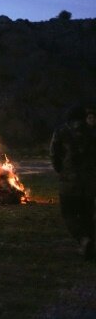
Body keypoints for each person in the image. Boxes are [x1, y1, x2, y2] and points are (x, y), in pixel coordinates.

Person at [50, 105, 96, 261]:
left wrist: (61, 170)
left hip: (69, 182)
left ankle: (83, 240)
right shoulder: (92, 132)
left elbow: (54, 154)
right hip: (90, 182)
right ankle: (89, 242)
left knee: (69, 213)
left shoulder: (62, 132)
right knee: (87, 213)